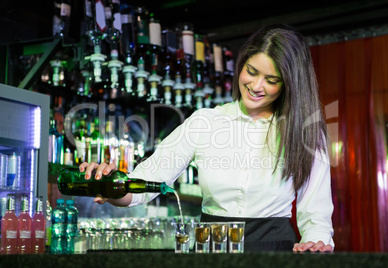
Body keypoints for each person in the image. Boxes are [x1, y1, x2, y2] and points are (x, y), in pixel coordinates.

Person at [80, 24, 334, 252]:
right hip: (211, 247)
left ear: (289, 84)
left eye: (271, 80)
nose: (256, 86)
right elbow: (147, 181)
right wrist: (113, 186)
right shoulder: (205, 122)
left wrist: (315, 244)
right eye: (251, 71)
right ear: (241, 64)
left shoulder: (305, 132)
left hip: (273, 251)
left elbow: (316, 216)